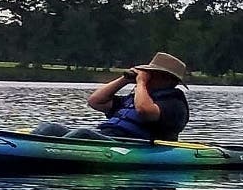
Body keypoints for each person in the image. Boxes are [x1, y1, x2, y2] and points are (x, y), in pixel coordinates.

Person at [33, 51, 189, 142]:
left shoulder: (174, 103)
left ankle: (43, 156)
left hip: (133, 144)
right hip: (107, 135)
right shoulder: (136, 97)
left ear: (166, 79)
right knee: (49, 127)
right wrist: (125, 79)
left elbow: (144, 111)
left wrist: (141, 83)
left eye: (152, 74)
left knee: (83, 134)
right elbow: (95, 101)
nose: (147, 76)